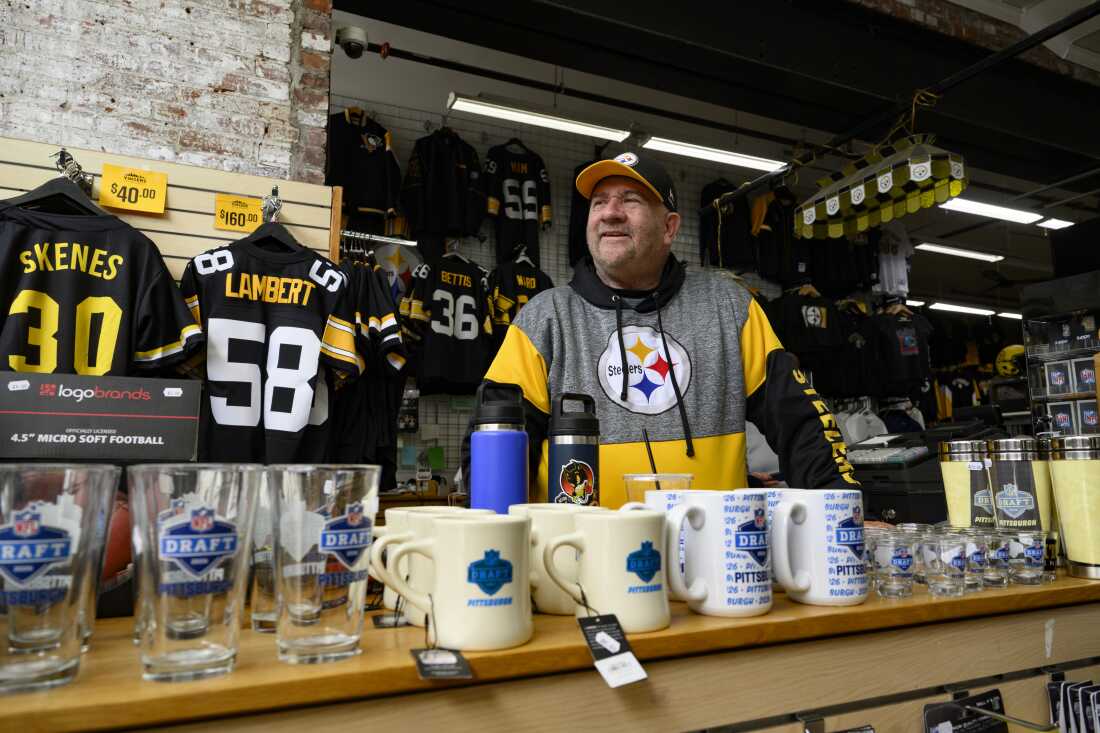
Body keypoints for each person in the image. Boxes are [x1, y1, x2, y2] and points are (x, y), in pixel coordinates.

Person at [462, 151, 860, 508]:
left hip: (710, 551)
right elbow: (491, 449)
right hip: (579, 555)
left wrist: (843, 508)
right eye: (599, 202)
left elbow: (802, 422)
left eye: (630, 200)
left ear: (670, 227)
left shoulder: (729, 307)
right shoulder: (544, 318)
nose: (610, 212)